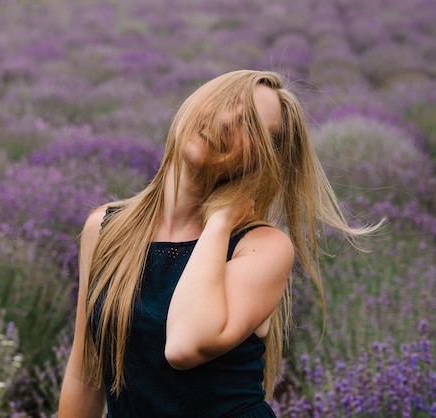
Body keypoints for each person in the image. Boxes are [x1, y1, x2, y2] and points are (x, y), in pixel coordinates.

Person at [58, 70, 378, 417]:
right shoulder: (106, 229)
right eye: (226, 103)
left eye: (250, 126)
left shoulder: (261, 246)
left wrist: (220, 221)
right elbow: (86, 372)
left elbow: (185, 345)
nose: (227, 121)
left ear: (261, 160)